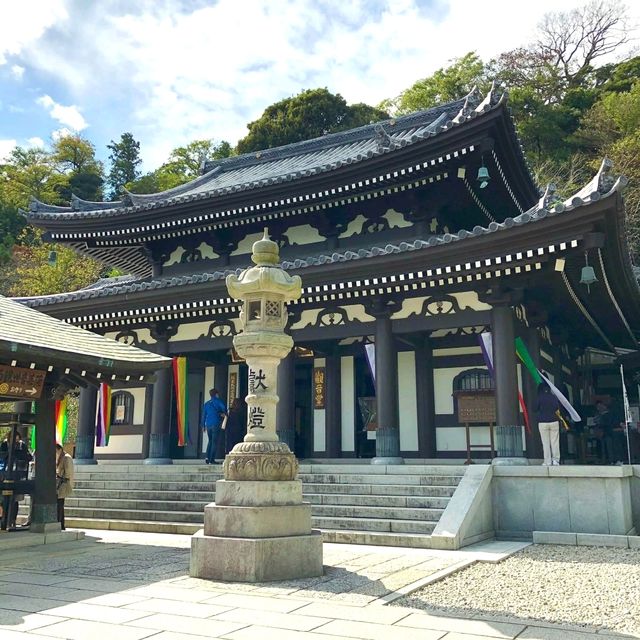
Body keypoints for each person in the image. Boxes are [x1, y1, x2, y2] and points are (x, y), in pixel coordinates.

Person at [536, 382, 561, 466]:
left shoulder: (539, 397)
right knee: (555, 442)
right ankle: (556, 460)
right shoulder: (553, 397)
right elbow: (557, 407)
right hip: (554, 420)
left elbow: (534, 408)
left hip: (543, 422)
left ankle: (547, 461)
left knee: (545, 442)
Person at [202, 389, 227, 464]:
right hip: (216, 424)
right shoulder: (218, 401)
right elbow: (224, 408)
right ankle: (212, 460)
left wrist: (203, 425)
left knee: (210, 441)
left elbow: (203, 415)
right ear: (216, 394)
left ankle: (207, 457)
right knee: (214, 442)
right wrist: (224, 413)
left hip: (208, 425)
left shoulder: (206, 404)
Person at [56, 443, 74, 530]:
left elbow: (68, 472)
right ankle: (60, 523)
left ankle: (60, 523)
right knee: (59, 504)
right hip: (59, 483)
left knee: (60, 504)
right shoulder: (60, 456)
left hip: (63, 483)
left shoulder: (66, 457)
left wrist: (63, 477)